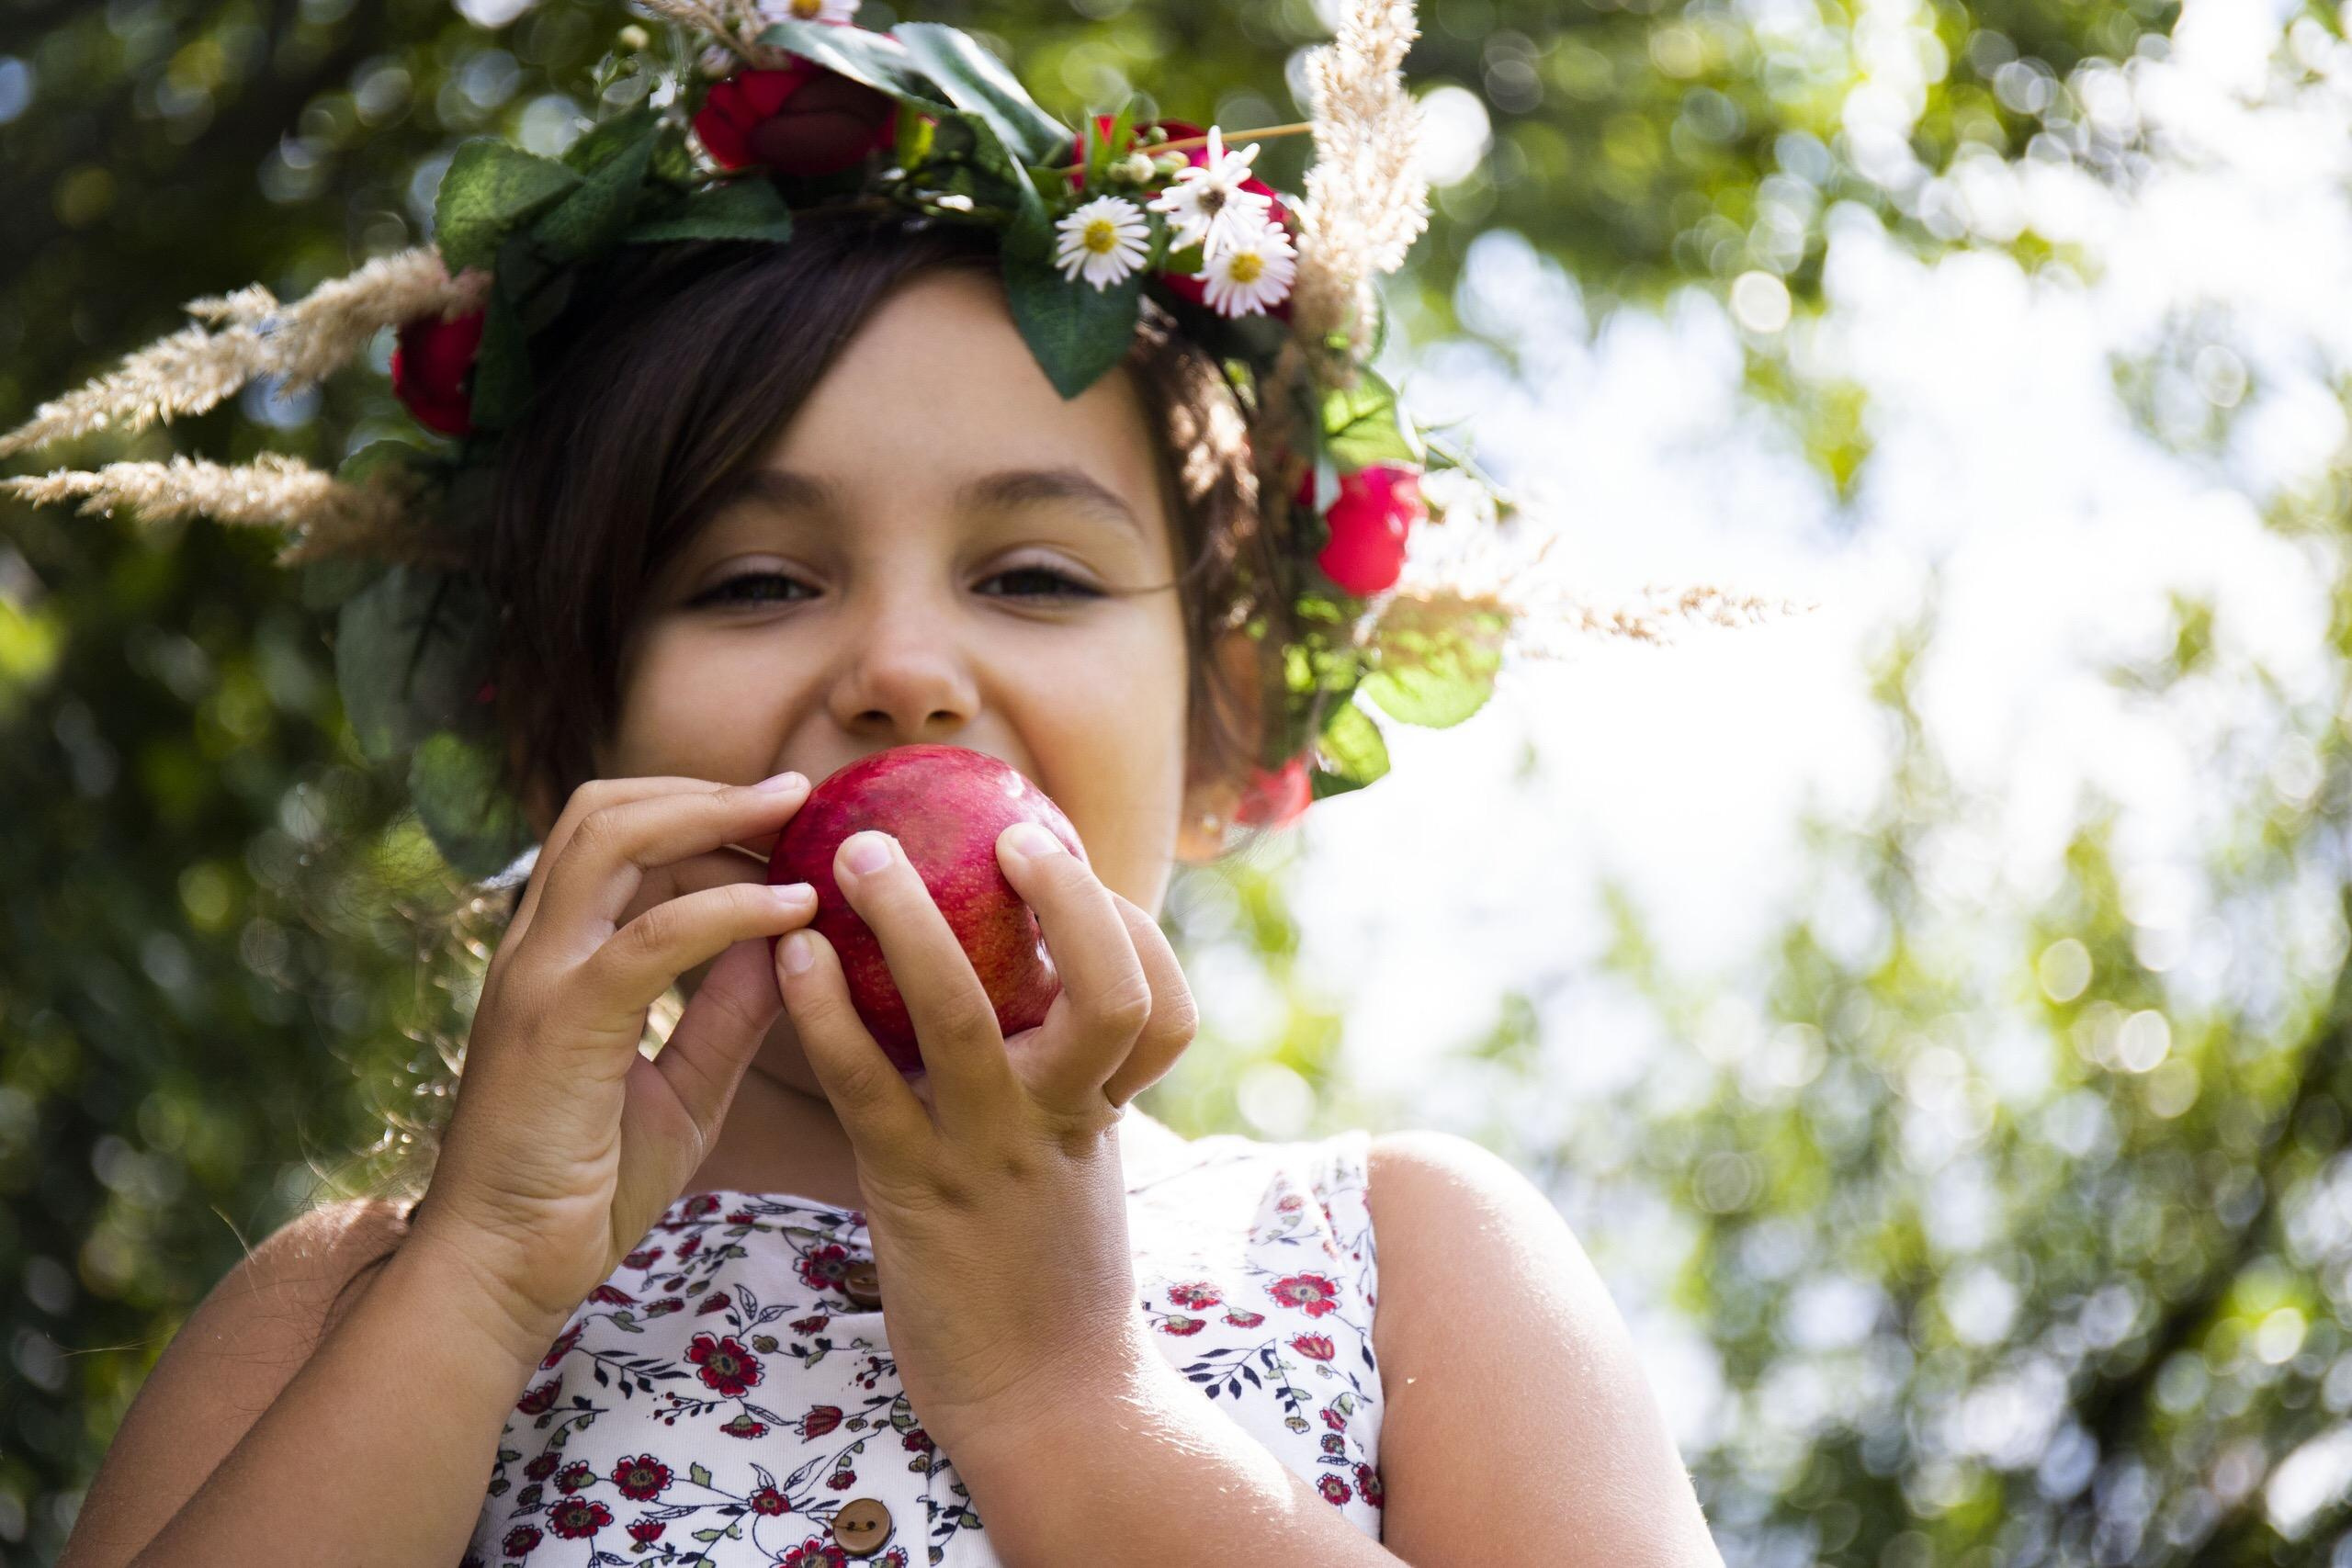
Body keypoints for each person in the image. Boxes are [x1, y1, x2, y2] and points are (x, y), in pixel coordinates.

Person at [10, 3, 1734, 1564]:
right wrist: (468, 1293)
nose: (902, 667)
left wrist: (1066, 1391)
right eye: (755, 582)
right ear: (560, 739)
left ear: (1227, 737)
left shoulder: (1401, 1258)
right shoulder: (350, 1308)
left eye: (1038, 577)